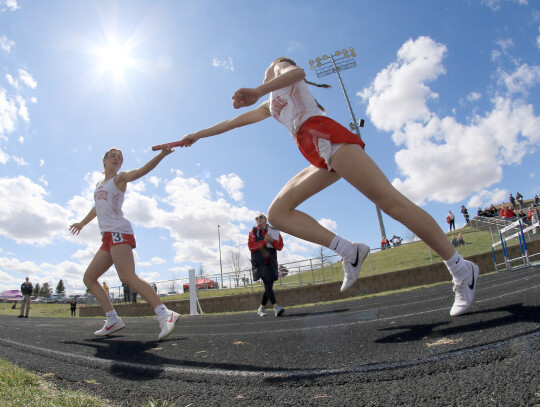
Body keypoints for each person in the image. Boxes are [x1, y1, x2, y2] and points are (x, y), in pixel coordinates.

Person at [177, 56, 480, 317]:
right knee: (278, 213)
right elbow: (233, 123)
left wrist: (259, 88)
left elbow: (297, 73)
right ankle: (350, 251)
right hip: (315, 152)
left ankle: (460, 269)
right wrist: (196, 134)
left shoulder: (282, 72)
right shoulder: (271, 105)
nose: (266, 73)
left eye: (269, 70)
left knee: (391, 203)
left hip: (328, 138)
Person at [69, 147, 180, 340]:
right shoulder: (99, 185)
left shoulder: (119, 179)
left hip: (119, 231)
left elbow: (142, 171)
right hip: (107, 237)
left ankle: (164, 313)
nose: (116, 158)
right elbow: (97, 208)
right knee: (89, 278)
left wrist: (161, 155)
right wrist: (82, 223)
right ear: (104, 161)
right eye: (112, 155)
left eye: (119, 157)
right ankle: (112, 319)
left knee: (127, 277)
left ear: (121, 164)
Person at [248, 213, 285, 317]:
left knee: (269, 285)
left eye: (260, 217)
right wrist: (264, 241)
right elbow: (251, 247)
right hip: (260, 262)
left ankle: (261, 307)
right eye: (256, 218)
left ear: (265, 219)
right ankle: (276, 307)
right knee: (267, 283)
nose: (258, 219)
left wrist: (272, 241)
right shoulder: (253, 232)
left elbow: (280, 246)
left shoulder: (273, 230)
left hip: (271, 261)